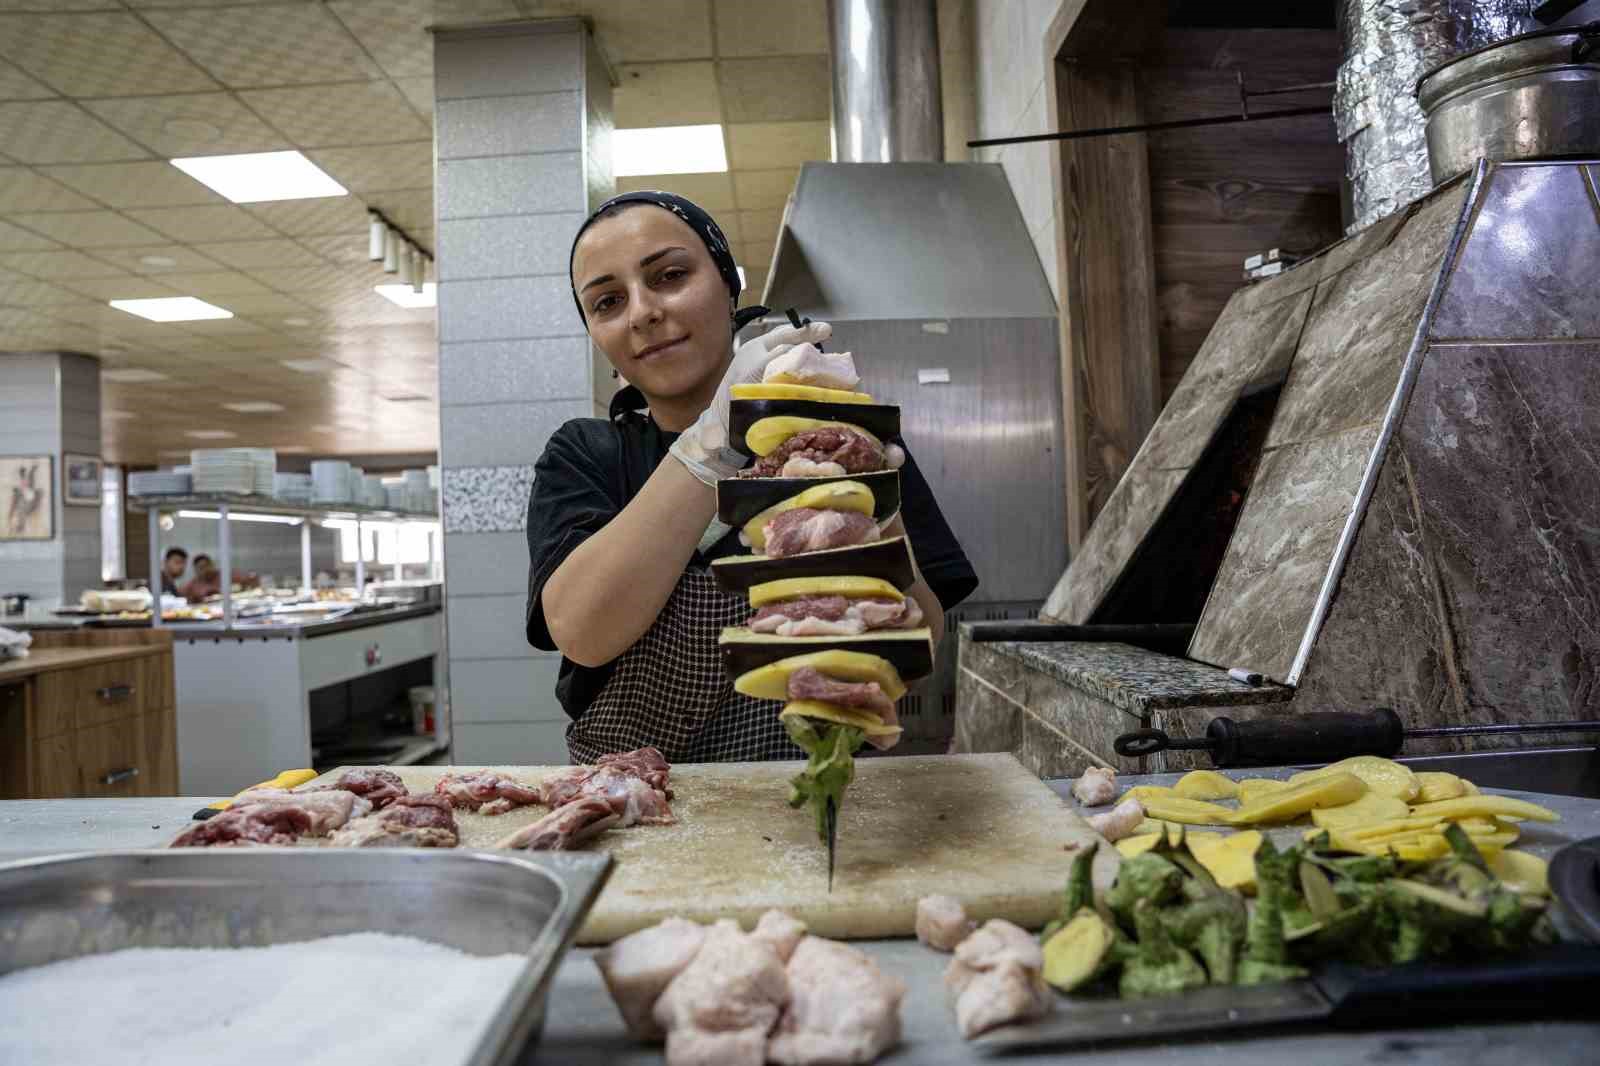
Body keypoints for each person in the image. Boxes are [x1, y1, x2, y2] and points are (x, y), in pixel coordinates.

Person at [525, 191, 977, 763]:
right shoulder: (586, 454)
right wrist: (710, 445)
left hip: (822, 785)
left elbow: (922, 635)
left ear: (727, 283)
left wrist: (858, 490)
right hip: (639, 794)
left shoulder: (837, 428)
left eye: (669, 276)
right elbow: (582, 633)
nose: (641, 312)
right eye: (608, 302)